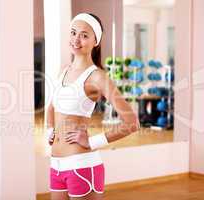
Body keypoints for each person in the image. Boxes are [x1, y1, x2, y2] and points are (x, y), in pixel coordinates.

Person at [45, 13, 140, 200]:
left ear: (96, 41)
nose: (76, 39)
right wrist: (49, 129)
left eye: (84, 35)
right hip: (56, 165)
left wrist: (92, 142)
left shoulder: (97, 77)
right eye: (73, 33)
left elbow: (132, 122)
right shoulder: (63, 70)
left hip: (81, 165)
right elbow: (51, 106)